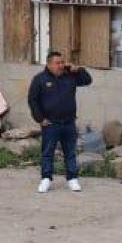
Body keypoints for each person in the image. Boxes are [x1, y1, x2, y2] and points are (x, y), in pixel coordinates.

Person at [27, 50, 93, 193]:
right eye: (58, 63)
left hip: (69, 122)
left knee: (70, 152)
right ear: (49, 64)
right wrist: (40, 119)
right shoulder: (40, 79)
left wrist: (79, 70)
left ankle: (72, 179)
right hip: (50, 124)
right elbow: (33, 100)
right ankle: (46, 179)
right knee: (47, 153)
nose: (61, 65)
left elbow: (87, 80)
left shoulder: (70, 76)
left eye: (62, 62)